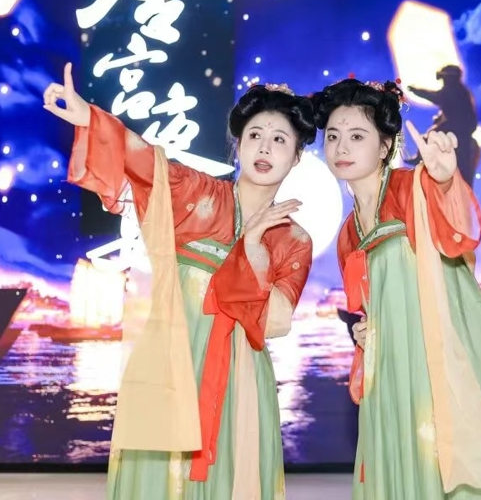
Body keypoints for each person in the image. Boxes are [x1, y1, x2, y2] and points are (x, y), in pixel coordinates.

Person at [43, 63, 315, 500]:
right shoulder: (197, 193)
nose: (265, 147)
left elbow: (275, 322)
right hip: (172, 359)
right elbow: (143, 160)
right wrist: (89, 120)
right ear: (238, 145)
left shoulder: (294, 240)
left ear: (297, 156)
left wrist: (252, 245)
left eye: (280, 139)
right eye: (255, 135)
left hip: (240, 379)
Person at [312, 76, 481, 499]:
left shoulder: (411, 186)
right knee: (404, 460)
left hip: (442, 349)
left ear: (385, 146)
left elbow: (459, 234)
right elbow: (369, 303)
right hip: (392, 360)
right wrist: (362, 330)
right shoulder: (348, 232)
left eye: (357, 136)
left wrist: (446, 181)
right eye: (334, 136)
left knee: (446, 458)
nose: (341, 147)